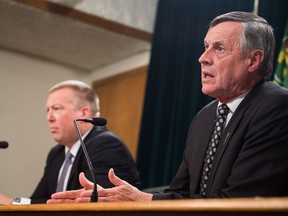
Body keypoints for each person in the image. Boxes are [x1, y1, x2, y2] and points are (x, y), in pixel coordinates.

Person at [47, 11, 288, 203]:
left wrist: (145, 200)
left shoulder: (276, 106)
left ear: (253, 60)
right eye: (206, 46)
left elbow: (239, 202)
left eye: (219, 48)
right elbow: (181, 193)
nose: (203, 57)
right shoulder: (205, 117)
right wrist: (129, 199)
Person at [0, 80, 141, 204]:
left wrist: (11, 201)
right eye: (47, 110)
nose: (49, 117)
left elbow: (93, 202)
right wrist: (13, 203)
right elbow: (39, 201)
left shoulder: (106, 145)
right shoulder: (57, 153)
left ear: (84, 113)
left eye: (56, 108)